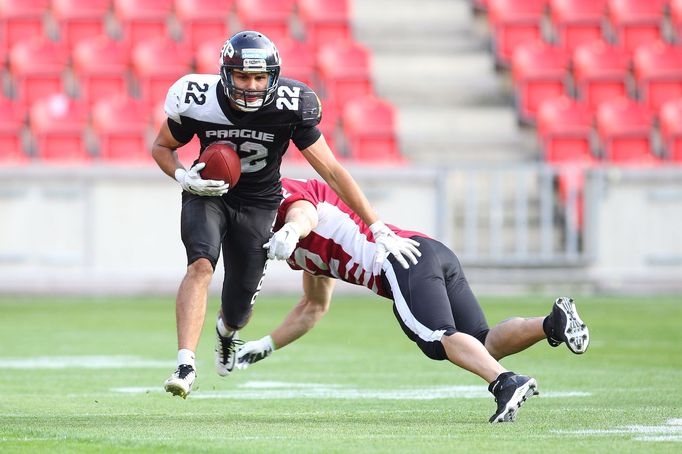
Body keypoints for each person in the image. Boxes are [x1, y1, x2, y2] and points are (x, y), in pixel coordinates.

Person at [152, 31, 421, 399]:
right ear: (226, 75)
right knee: (201, 264)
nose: (250, 86)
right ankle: (186, 364)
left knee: (237, 308)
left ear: (273, 77)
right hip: (208, 193)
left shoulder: (292, 105)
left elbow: (331, 171)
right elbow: (162, 146)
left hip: (261, 202)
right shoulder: (197, 98)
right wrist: (184, 176)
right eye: (243, 77)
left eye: (259, 77)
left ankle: (226, 333)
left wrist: (376, 226)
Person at [236, 178, 590, 423]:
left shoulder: (285, 208)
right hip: (427, 250)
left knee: (439, 340)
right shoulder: (301, 254)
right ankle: (551, 323)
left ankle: (505, 382)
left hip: (398, 260)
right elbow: (312, 307)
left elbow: (302, 210)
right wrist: (266, 344)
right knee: (480, 343)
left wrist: (290, 230)